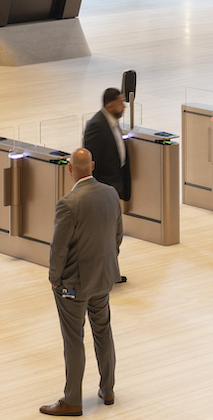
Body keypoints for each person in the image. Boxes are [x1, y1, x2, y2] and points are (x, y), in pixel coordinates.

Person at [41, 147, 120, 416]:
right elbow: (117, 236)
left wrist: (54, 279)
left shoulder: (68, 203)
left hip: (73, 284)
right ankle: (107, 389)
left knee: (74, 339)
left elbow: (59, 249)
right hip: (103, 279)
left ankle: (72, 400)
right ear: (93, 166)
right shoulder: (111, 194)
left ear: (70, 169)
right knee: (103, 331)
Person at [79, 88, 129, 284]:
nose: (123, 106)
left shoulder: (112, 122)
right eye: (120, 102)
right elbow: (92, 162)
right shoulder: (96, 126)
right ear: (109, 105)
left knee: (113, 234)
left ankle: (110, 272)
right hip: (104, 189)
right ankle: (101, 275)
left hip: (115, 187)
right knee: (103, 235)